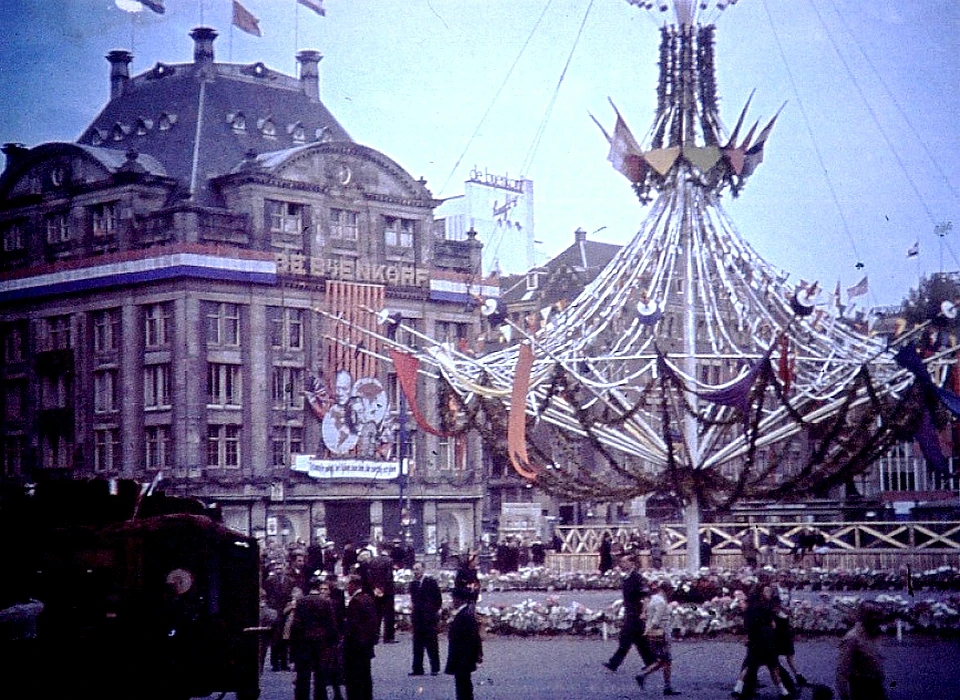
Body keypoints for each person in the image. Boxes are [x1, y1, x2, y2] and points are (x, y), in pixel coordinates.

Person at [732, 584, 792, 699]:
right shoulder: (765, 607)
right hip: (765, 639)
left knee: (749, 665)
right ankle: (783, 691)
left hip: (755, 639)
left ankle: (738, 688)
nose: (769, 594)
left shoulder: (751, 607)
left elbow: (747, 624)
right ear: (761, 593)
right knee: (773, 666)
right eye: (767, 591)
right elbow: (773, 624)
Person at [290, 575, 339, 700]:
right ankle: (320, 697)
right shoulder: (325, 602)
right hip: (321, 641)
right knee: (320, 673)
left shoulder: (301, 602)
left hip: (304, 641)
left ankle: (302, 697)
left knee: (303, 674)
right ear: (318, 587)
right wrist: (332, 641)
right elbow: (331, 624)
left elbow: (296, 624)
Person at [604, 554, 654, 673]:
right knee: (640, 640)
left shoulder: (637, 578)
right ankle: (651, 661)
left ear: (632, 563)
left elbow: (646, 597)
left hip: (636, 613)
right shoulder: (627, 577)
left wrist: (644, 612)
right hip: (630, 611)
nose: (622, 564)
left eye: (624, 562)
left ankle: (614, 663)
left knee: (625, 638)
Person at [635, 580, 681, 695]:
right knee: (666, 660)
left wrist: (647, 629)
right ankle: (663, 685)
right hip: (661, 632)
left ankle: (666, 686)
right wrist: (648, 629)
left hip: (653, 633)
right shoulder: (661, 602)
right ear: (667, 590)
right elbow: (656, 620)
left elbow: (647, 615)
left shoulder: (653, 599)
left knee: (662, 660)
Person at [836, 603, 887, 700]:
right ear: (861, 615)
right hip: (861, 687)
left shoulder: (874, 634)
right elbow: (842, 671)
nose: (876, 618)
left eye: (878, 614)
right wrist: (845, 696)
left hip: (876, 685)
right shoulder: (852, 638)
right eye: (871, 614)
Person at [343, 575, 378, 700]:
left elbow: (353, 626)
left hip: (356, 647)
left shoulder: (355, 602)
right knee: (366, 675)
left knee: (354, 678)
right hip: (367, 646)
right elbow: (374, 622)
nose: (347, 587)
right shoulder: (368, 599)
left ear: (354, 585)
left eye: (348, 584)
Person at [445, 586, 483, 700]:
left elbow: (473, 637)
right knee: (463, 683)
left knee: (463, 685)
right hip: (463, 656)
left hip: (463, 656)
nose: (452, 601)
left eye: (453, 598)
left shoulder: (465, 615)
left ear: (459, 599)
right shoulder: (465, 612)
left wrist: (474, 654)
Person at [409, 561, 443, 676]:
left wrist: (433, 611)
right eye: (414, 569)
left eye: (417, 569)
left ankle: (435, 668)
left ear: (423, 569)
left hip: (429, 618)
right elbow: (413, 600)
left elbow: (438, 599)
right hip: (417, 618)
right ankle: (417, 668)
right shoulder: (413, 584)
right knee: (417, 645)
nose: (415, 572)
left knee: (432, 644)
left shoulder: (430, 582)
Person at [361, 542, 397, 643]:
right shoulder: (389, 561)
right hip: (387, 591)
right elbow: (388, 577)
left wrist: (375, 587)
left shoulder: (373, 560)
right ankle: (388, 636)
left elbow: (369, 576)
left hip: (375, 590)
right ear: (389, 550)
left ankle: (375, 636)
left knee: (377, 613)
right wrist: (384, 588)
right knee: (389, 614)